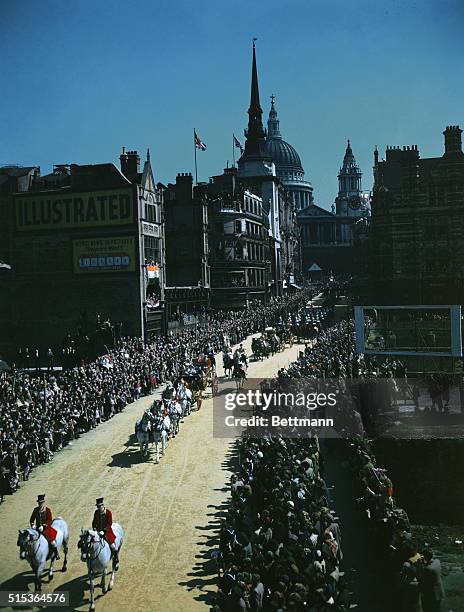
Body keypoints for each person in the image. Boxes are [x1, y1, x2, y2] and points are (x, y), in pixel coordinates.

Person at [29, 494, 59, 559]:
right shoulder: (35, 510)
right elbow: (31, 519)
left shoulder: (47, 510)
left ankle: (56, 553)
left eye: (41, 503)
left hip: (46, 529)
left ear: (44, 502)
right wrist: (33, 525)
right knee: (29, 539)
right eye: (39, 503)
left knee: (53, 542)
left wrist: (44, 526)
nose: (40, 504)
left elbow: (50, 520)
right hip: (37, 528)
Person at [92, 497, 118, 565]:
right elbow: (94, 522)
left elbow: (110, 523)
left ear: (103, 505)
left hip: (107, 532)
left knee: (113, 546)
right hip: (98, 532)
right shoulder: (96, 512)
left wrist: (104, 530)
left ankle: (115, 558)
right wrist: (94, 528)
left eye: (100, 506)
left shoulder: (108, 512)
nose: (99, 507)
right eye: (98, 506)